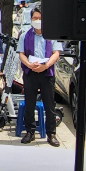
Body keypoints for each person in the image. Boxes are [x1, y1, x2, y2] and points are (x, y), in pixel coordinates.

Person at [17, 8, 62, 147]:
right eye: (35, 18)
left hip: (46, 73)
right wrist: (29, 65)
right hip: (31, 73)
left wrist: (47, 65)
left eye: (40, 18)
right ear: (31, 20)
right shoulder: (25, 35)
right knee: (29, 103)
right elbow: (21, 53)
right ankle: (30, 131)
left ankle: (51, 133)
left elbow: (56, 53)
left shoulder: (51, 35)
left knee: (49, 104)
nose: (37, 21)